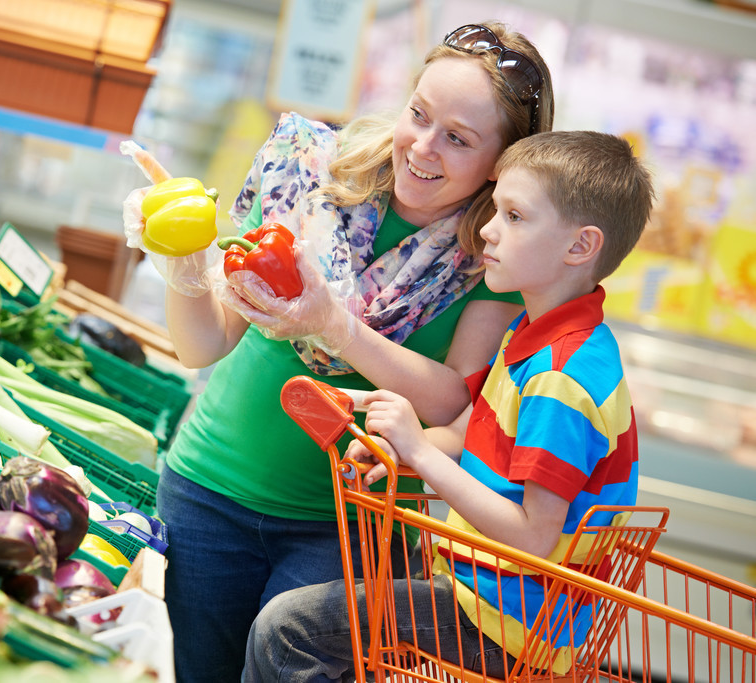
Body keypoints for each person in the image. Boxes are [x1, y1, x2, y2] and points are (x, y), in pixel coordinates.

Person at [127, 22, 555, 681]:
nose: (421, 144)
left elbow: (452, 402)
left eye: (457, 138)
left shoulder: (492, 258)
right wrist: (182, 262)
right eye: (418, 113)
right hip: (207, 491)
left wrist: (334, 323)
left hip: (349, 531)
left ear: (501, 165)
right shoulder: (302, 171)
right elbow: (203, 342)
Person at [241, 129, 656, 682]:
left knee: (288, 630)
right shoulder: (535, 337)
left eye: (514, 216)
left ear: (580, 247)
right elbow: (470, 438)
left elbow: (534, 536)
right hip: (479, 593)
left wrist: (418, 449)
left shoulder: (564, 377)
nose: (486, 228)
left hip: (508, 626)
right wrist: (392, 437)